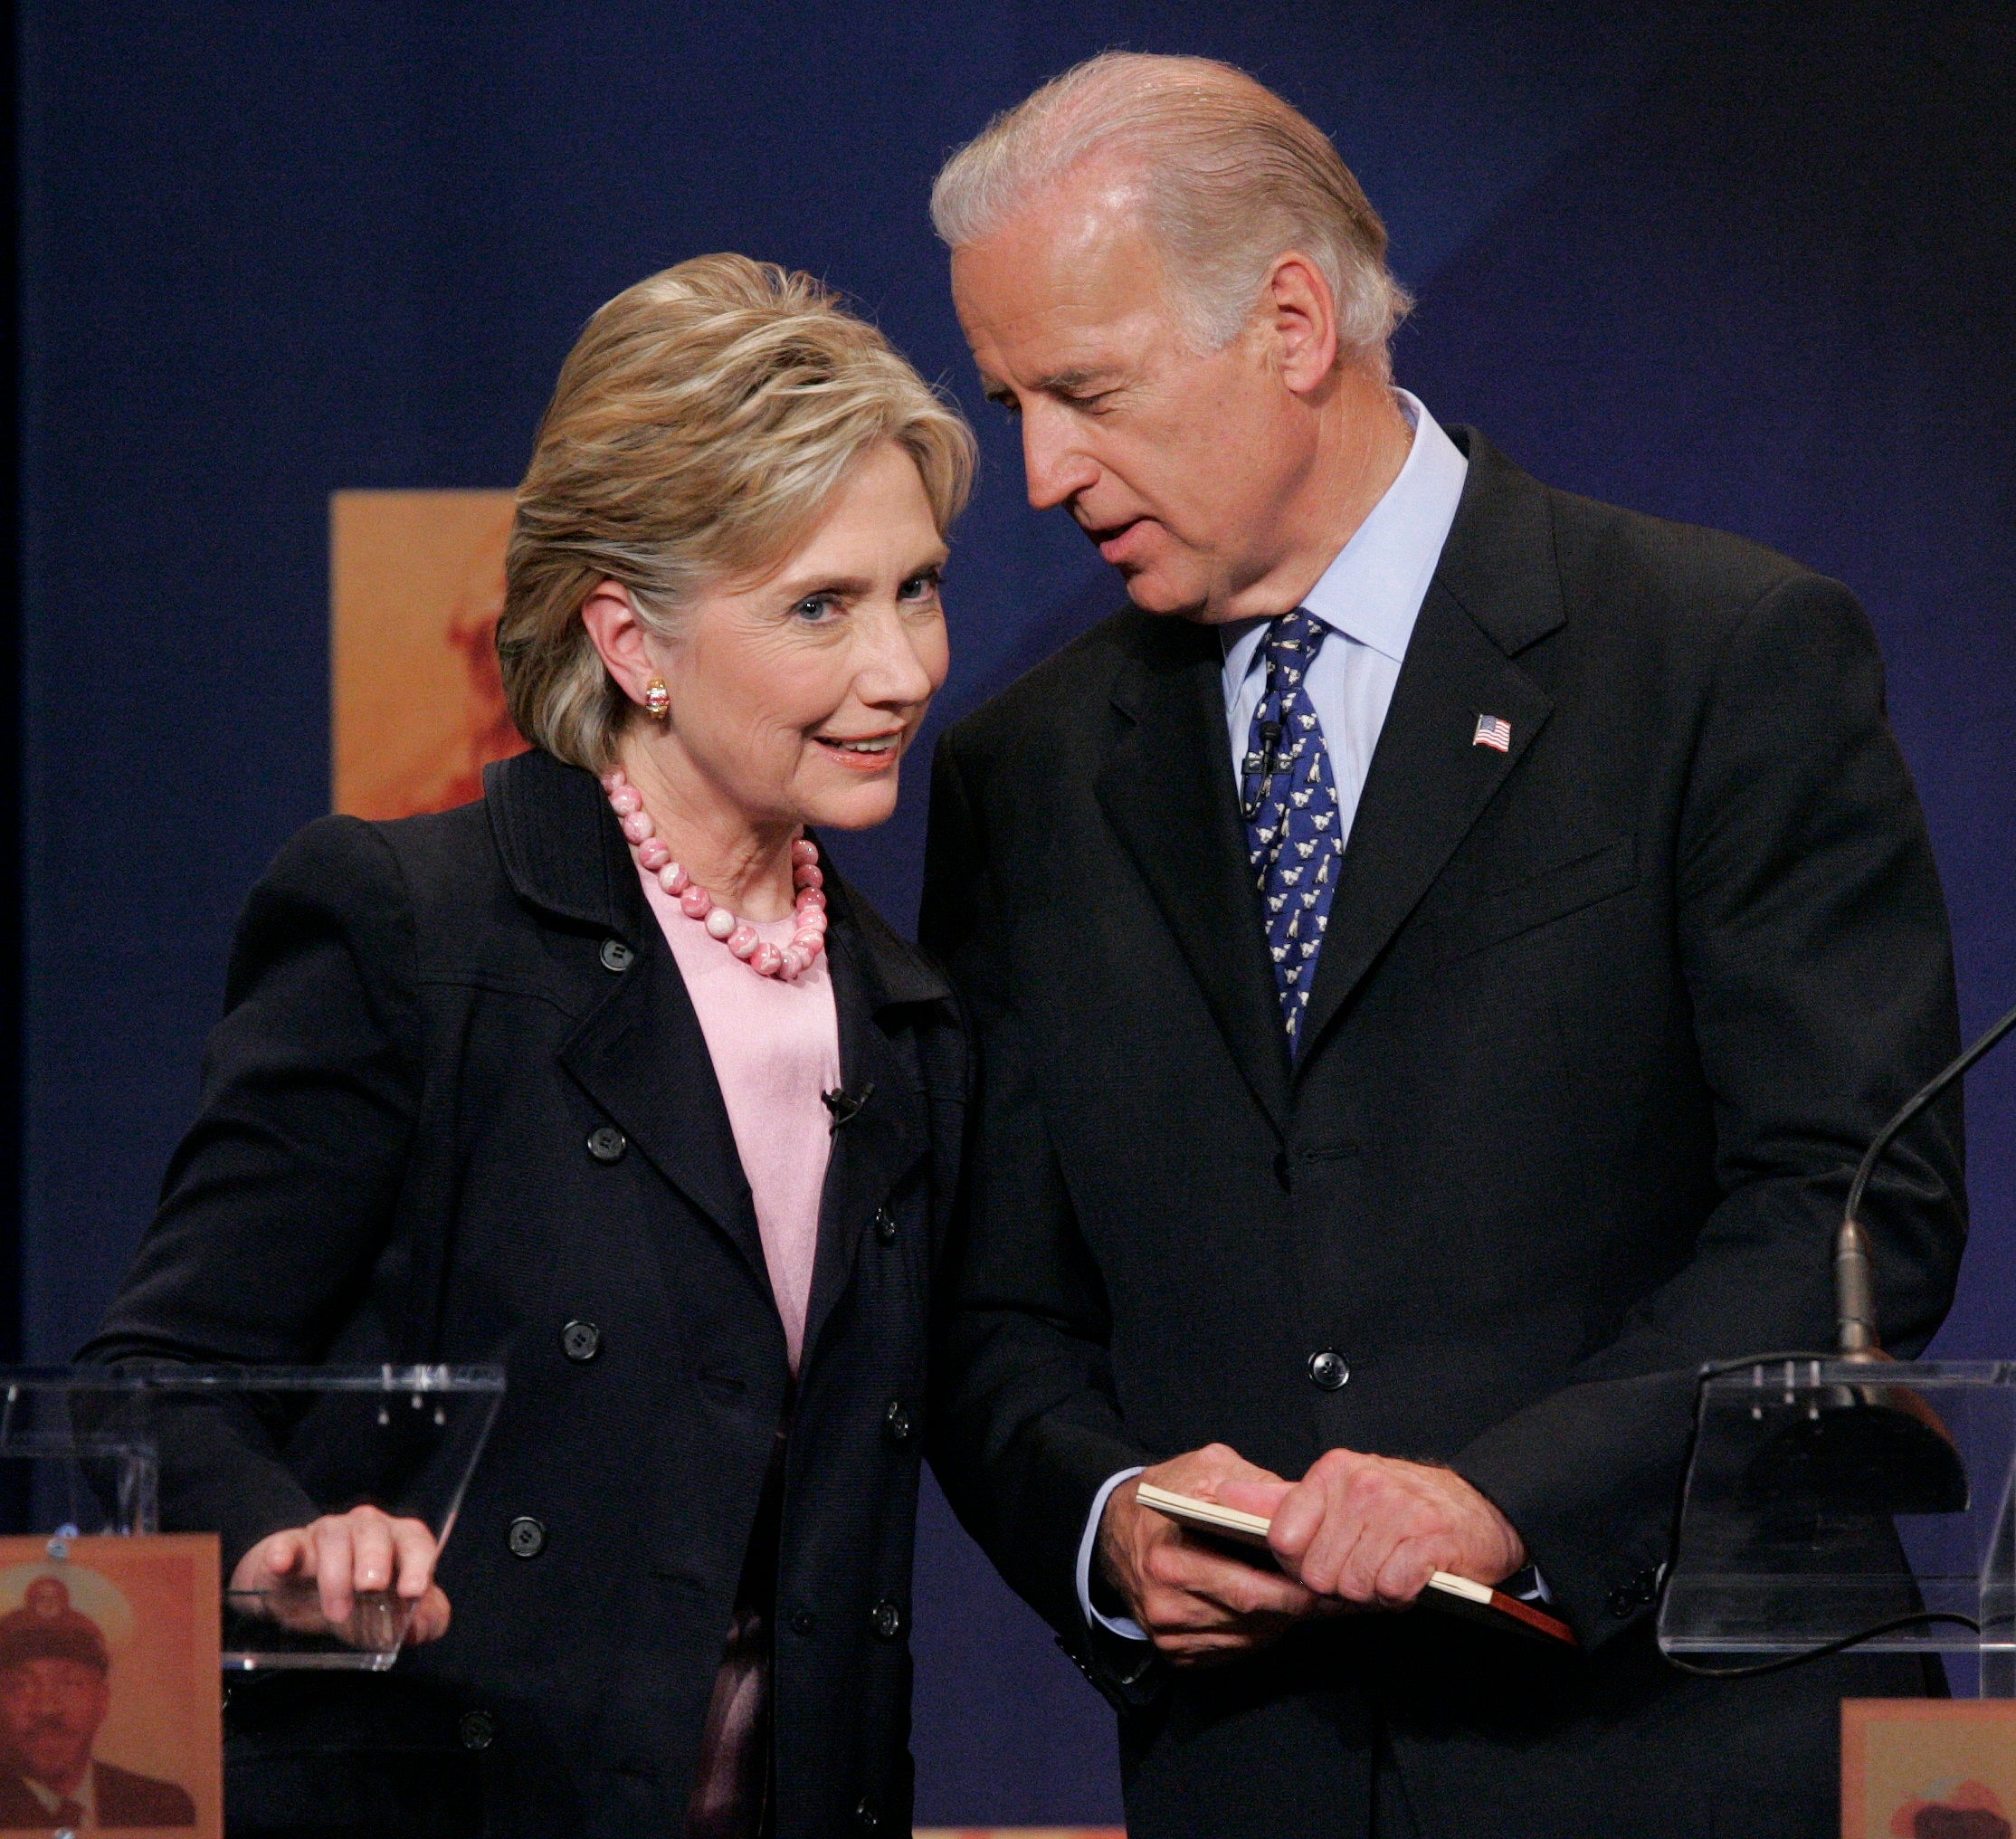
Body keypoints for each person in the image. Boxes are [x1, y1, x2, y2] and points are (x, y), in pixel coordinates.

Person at [919, 52, 1965, 1839]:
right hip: (1262, 1776)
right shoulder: (1023, 775)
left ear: (1291, 322)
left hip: (1680, 1753)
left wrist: (1507, 1496)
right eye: (1011, 400)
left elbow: (1846, 1212)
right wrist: (1102, 1520)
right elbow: (987, 1300)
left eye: (1083, 392)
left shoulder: (1715, 660)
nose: (1035, 474)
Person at [83, 254, 973, 1838]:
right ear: (631, 640)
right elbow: (150, 1387)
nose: (900, 668)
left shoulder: (901, 1012)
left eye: (916, 585)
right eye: (819, 606)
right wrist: (288, 1541)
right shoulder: (411, 932)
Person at [0, 1577, 196, 1829]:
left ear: (102, 1700)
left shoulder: (162, 1808)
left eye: (70, 1684)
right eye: (20, 1686)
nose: (46, 1708)